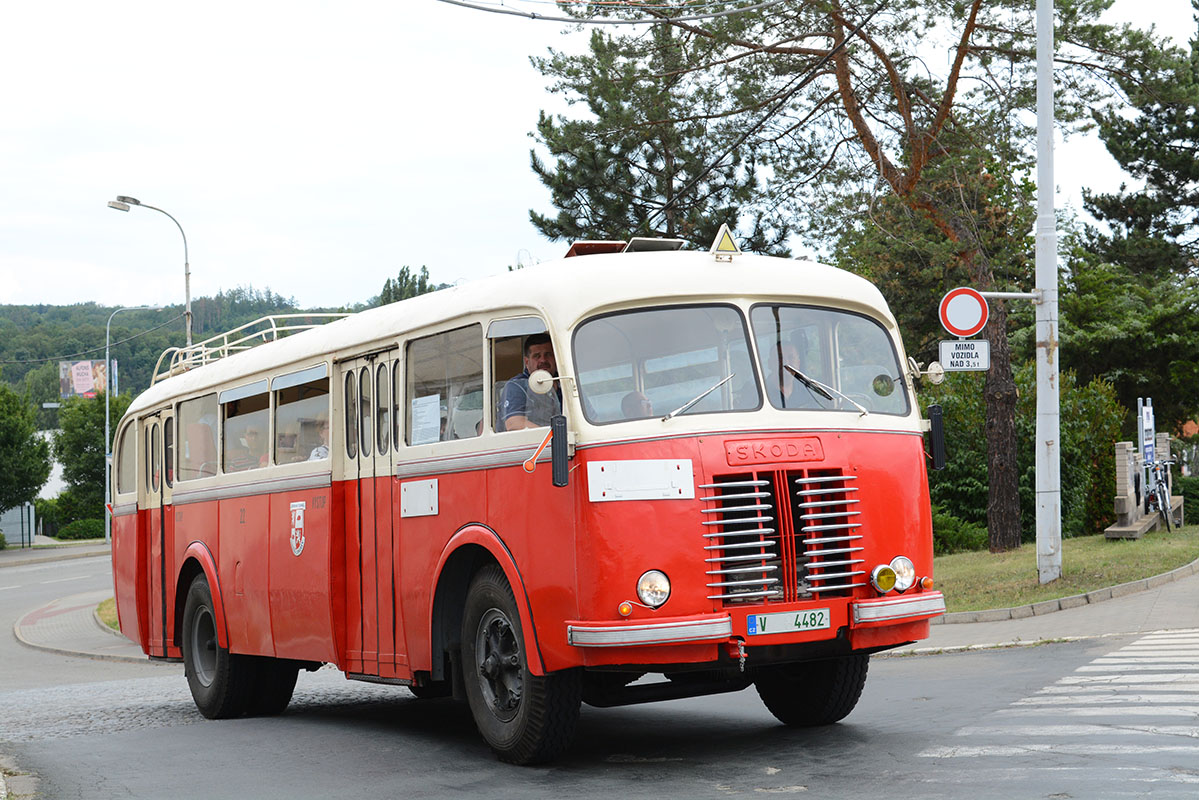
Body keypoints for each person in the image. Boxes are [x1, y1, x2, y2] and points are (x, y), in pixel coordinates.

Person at [498, 333, 562, 431]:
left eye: (548, 354)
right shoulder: (517, 386)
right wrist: (555, 438)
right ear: (527, 362)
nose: (543, 360)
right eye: (537, 356)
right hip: (537, 445)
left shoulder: (566, 384)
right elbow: (514, 423)